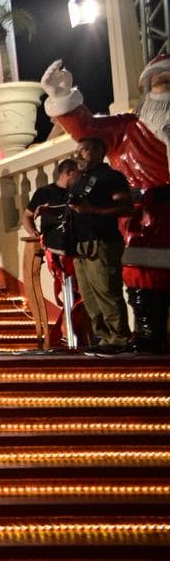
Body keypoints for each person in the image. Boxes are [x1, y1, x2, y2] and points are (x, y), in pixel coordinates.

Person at [43, 55, 170, 354]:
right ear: (147, 89)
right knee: (142, 285)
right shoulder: (127, 128)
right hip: (146, 224)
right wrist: (61, 96)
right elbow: (86, 128)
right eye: (161, 83)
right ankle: (138, 336)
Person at [68, 138, 134, 354]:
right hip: (80, 244)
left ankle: (120, 339)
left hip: (102, 241)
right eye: (77, 151)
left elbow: (126, 207)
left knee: (106, 291)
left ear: (98, 152)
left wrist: (92, 211)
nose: (78, 155)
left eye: (84, 150)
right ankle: (104, 338)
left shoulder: (111, 177)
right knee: (89, 296)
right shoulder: (81, 179)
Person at [22, 159, 81, 349]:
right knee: (69, 290)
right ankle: (64, 335)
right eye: (77, 172)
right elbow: (27, 215)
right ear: (69, 172)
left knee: (82, 292)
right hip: (56, 247)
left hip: (79, 245)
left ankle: (72, 334)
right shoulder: (45, 192)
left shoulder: (79, 192)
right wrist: (34, 232)